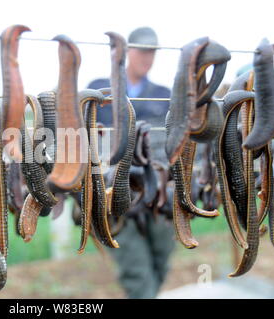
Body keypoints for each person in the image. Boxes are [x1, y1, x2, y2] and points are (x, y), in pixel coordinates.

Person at [87, 26, 175, 298]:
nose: (148, 57)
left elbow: (168, 143)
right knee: (135, 269)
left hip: (159, 195)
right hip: (118, 197)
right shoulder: (98, 90)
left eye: (153, 52)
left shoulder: (163, 94)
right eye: (143, 51)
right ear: (127, 52)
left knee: (162, 258)